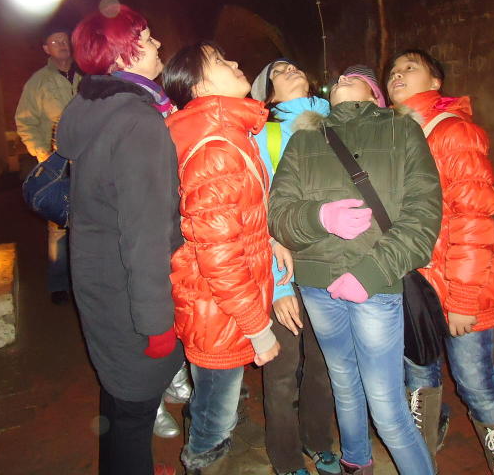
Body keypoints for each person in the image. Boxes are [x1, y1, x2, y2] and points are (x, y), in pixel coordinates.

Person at [268, 65, 441, 475]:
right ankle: (356, 462)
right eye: (341, 76)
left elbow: (424, 215)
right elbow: (278, 213)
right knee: (343, 384)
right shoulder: (306, 137)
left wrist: (370, 272)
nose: (344, 77)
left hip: (375, 286)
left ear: (375, 94)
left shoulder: (402, 131)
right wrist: (319, 217)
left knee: (387, 407)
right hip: (318, 286)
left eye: (357, 76)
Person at [55, 4, 183, 475]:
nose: (157, 45)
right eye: (145, 39)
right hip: (130, 296)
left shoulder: (92, 107)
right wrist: (156, 324)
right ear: (122, 55)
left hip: (100, 280)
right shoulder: (137, 122)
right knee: (134, 413)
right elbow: (146, 234)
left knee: (117, 399)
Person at [386, 50, 494, 475]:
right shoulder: (395, 135)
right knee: (418, 379)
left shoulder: (453, 132)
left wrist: (462, 298)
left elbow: (473, 218)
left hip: (460, 283)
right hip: (416, 287)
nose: (397, 75)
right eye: (393, 71)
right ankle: (420, 462)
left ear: (435, 82)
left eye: (410, 68)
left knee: (476, 384)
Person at [163, 42, 281, 474]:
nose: (235, 62)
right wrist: (258, 327)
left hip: (219, 305)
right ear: (198, 86)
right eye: (219, 61)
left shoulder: (230, 134)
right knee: (214, 416)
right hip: (218, 309)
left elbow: (238, 221)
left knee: (215, 397)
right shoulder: (216, 148)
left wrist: (271, 240)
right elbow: (220, 256)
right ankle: (203, 459)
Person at [251, 59, 339, 475]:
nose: (289, 69)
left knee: (323, 366)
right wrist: (280, 287)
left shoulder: (335, 125)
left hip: (331, 267)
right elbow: (259, 213)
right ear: (268, 96)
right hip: (284, 268)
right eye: (277, 72)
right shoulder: (265, 136)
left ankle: (317, 440)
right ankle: (286, 458)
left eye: (292, 65)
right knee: (283, 372)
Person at [15, 25, 82, 305]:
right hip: (57, 164)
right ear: (46, 49)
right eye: (55, 42)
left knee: (89, 220)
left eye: (65, 40)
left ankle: (85, 280)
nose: (62, 45)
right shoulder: (38, 83)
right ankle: (58, 283)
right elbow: (25, 122)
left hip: (87, 160)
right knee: (59, 226)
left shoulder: (86, 75)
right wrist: (42, 155)